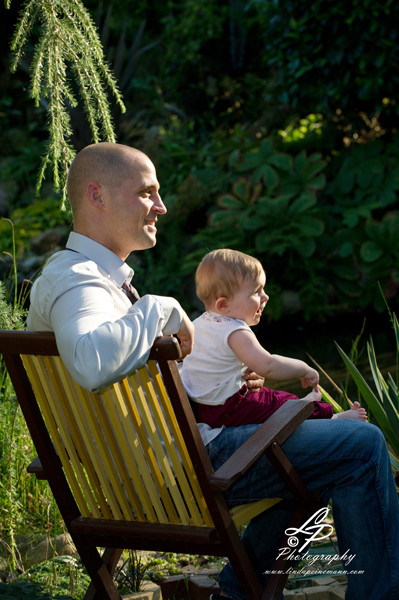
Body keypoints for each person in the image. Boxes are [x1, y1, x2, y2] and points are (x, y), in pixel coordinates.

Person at [27, 142, 399, 600]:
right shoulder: (77, 280)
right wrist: (160, 305)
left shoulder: (91, 281)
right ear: (96, 195)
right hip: (182, 478)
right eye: (147, 193)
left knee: (323, 457)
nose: (160, 206)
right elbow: (89, 361)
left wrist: (220, 387)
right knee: (359, 446)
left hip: (147, 477)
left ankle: (240, 591)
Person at [180, 249, 367, 427]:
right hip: (231, 407)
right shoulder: (235, 332)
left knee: (269, 395)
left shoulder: (197, 325)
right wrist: (304, 369)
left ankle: (306, 404)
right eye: (256, 292)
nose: (266, 297)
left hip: (206, 409)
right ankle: (334, 418)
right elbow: (268, 365)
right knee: (278, 403)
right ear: (223, 305)